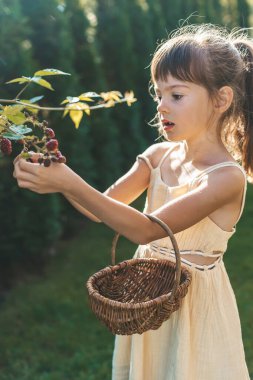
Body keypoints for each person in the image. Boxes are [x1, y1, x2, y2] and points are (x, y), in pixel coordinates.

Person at [13, 24, 252, 379]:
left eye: (177, 95)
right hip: (148, 298)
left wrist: (70, 183)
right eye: (159, 94)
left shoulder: (225, 177)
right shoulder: (157, 156)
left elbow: (145, 231)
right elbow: (101, 208)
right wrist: (58, 180)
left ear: (221, 100)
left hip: (194, 308)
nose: (162, 105)